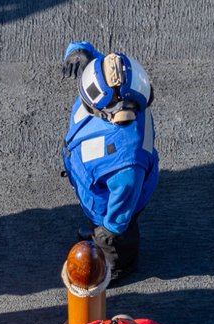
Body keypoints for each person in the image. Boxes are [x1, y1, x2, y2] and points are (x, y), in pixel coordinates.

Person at [61, 44, 158, 282]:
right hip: (99, 187)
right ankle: (97, 232)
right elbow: (104, 64)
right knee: (100, 226)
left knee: (119, 239)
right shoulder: (122, 87)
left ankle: (116, 266)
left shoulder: (127, 163)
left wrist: (108, 231)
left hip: (111, 206)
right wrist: (80, 51)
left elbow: (122, 205)